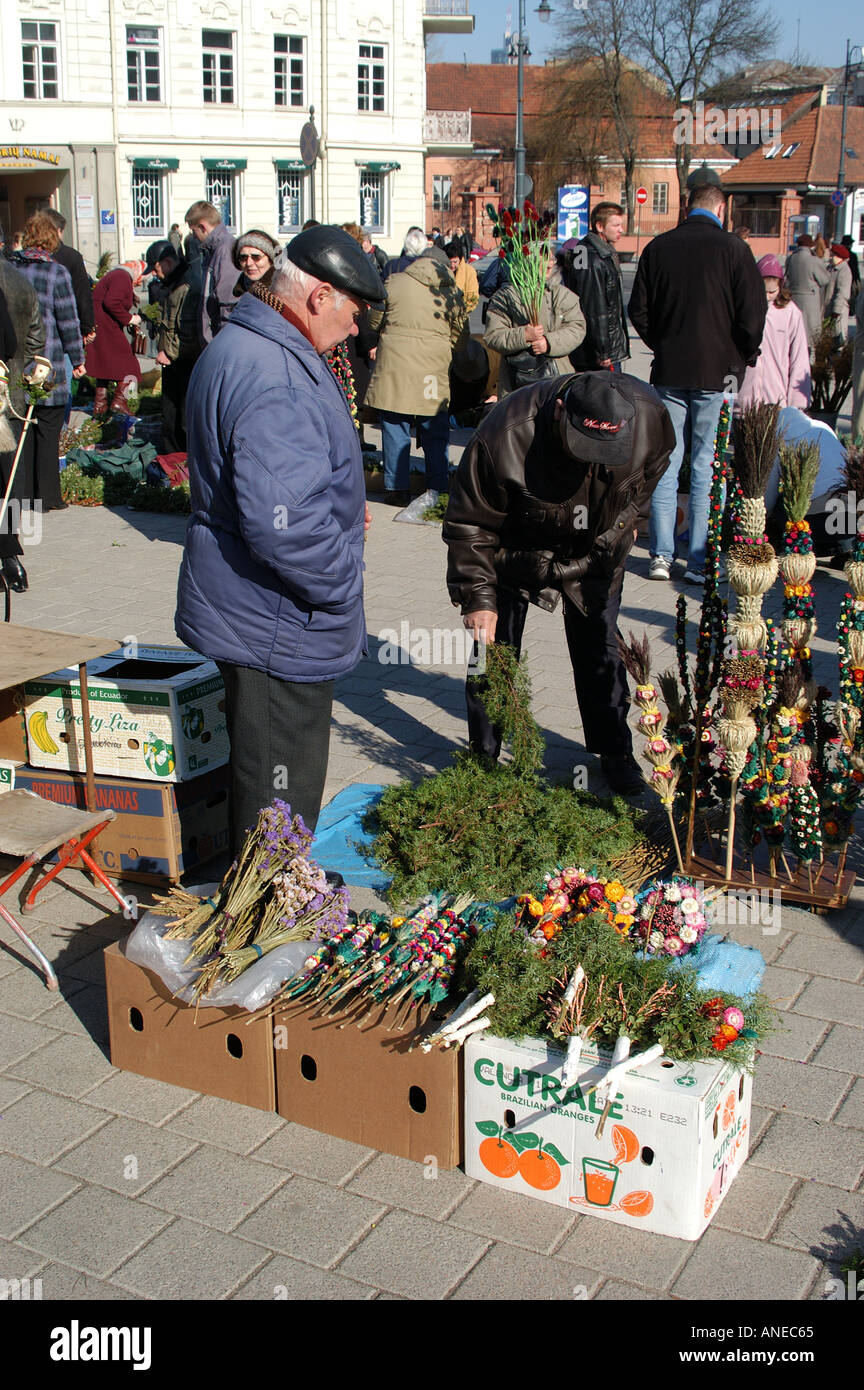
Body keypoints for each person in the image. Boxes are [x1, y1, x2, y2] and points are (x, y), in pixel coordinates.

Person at [175, 225, 386, 852]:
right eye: (353, 312)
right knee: (280, 799)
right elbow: (282, 526)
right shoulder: (279, 374)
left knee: (267, 779)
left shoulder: (247, 339)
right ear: (319, 296)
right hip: (278, 618)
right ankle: (266, 925)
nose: (355, 329)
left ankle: (263, 907)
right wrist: (344, 580)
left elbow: (277, 496)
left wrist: (334, 506)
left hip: (256, 607)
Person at [442, 371, 674, 795]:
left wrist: (632, 519)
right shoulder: (504, 434)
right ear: (562, 411)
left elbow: (656, 466)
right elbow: (469, 523)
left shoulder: (650, 415)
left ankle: (615, 751)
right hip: (516, 548)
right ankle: (483, 757)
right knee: (493, 649)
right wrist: (477, 596)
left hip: (600, 545)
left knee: (600, 644)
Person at [628, 172, 766, 584]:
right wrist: (742, 355)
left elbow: (639, 310)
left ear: (687, 207)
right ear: (721, 209)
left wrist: (664, 344)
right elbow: (753, 315)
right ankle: (702, 562)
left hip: (670, 370)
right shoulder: (735, 250)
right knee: (707, 466)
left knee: (666, 462)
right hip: (718, 375)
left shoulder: (658, 248)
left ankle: (661, 557)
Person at [365, 245, 468, 504]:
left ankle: (396, 489)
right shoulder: (453, 292)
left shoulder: (395, 281)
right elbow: (462, 338)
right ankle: (437, 489)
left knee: (394, 424)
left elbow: (374, 321)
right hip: (432, 370)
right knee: (434, 428)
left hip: (395, 366)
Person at [12, 212, 85, 512]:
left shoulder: (11, 269)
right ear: (52, 237)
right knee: (49, 428)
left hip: (16, 362)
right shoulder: (56, 273)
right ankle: (49, 498)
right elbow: (68, 320)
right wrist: (78, 358)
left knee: (23, 429)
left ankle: (24, 493)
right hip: (49, 361)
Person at [0, 230, 46, 592]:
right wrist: (22, 367)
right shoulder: (20, 280)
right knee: (9, 477)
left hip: (6, 388)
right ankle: (10, 551)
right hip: (12, 389)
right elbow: (35, 334)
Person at [484, 245, 586, 398]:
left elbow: (577, 328)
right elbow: (493, 336)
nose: (549, 263)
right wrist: (524, 335)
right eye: (543, 259)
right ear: (527, 262)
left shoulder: (563, 295)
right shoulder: (506, 297)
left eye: (551, 258)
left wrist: (549, 342)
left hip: (557, 381)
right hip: (516, 386)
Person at [735, 255, 811, 414]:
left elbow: (799, 357)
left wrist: (797, 402)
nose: (766, 296)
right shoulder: (742, 307)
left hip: (776, 398)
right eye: (762, 290)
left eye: (772, 292)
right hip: (742, 400)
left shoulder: (790, 312)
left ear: (781, 287)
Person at [147, 239, 202, 454]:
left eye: (155, 266)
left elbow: (187, 331)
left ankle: (184, 466)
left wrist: (168, 352)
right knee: (170, 417)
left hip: (184, 361)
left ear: (167, 261)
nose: (154, 272)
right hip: (172, 360)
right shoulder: (172, 283)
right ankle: (172, 463)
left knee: (184, 420)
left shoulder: (186, 285)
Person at [566, 202, 629, 373]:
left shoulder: (600, 253)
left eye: (621, 225)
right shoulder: (593, 258)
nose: (621, 230)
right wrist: (603, 350)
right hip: (598, 353)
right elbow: (595, 308)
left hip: (602, 348)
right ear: (600, 226)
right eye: (616, 225)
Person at [84, 265, 142, 416]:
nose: (139, 281)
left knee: (104, 365)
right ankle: (121, 401)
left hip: (100, 325)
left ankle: (100, 406)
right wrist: (130, 318)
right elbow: (112, 302)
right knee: (131, 366)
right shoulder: (122, 276)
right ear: (135, 270)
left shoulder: (116, 275)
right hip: (106, 326)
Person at [184, 200, 237, 347]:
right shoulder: (213, 250)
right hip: (213, 342)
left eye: (193, 231)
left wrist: (221, 346)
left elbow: (227, 307)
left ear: (203, 227)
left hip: (220, 343)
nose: (193, 237)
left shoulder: (225, 249)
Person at [43, 210, 95, 344]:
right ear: (58, 231)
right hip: (65, 329)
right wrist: (87, 327)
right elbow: (82, 294)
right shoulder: (71, 256)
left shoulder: (25, 258)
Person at [785, 234, 831, 350]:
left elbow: (788, 277)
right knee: (810, 333)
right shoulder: (814, 260)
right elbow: (825, 279)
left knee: (795, 331)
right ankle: (811, 359)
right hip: (810, 300)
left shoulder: (791, 259)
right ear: (810, 245)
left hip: (794, 298)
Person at [233, 229, 280, 299]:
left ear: (270, 260)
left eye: (256, 257)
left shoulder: (283, 294)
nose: (249, 263)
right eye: (243, 257)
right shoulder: (238, 293)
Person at [827, 244, 853, 346]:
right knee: (829, 339)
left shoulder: (844, 270)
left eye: (833, 255)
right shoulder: (830, 268)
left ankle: (838, 358)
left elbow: (842, 292)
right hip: (829, 308)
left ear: (839, 257)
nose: (831, 257)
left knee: (839, 337)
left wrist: (836, 311)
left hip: (838, 310)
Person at [445, 239, 479, 314]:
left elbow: (473, 297)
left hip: (462, 314)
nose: (452, 265)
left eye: (455, 262)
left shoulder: (469, 271)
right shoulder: (441, 270)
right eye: (449, 262)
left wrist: (461, 311)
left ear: (460, 260)